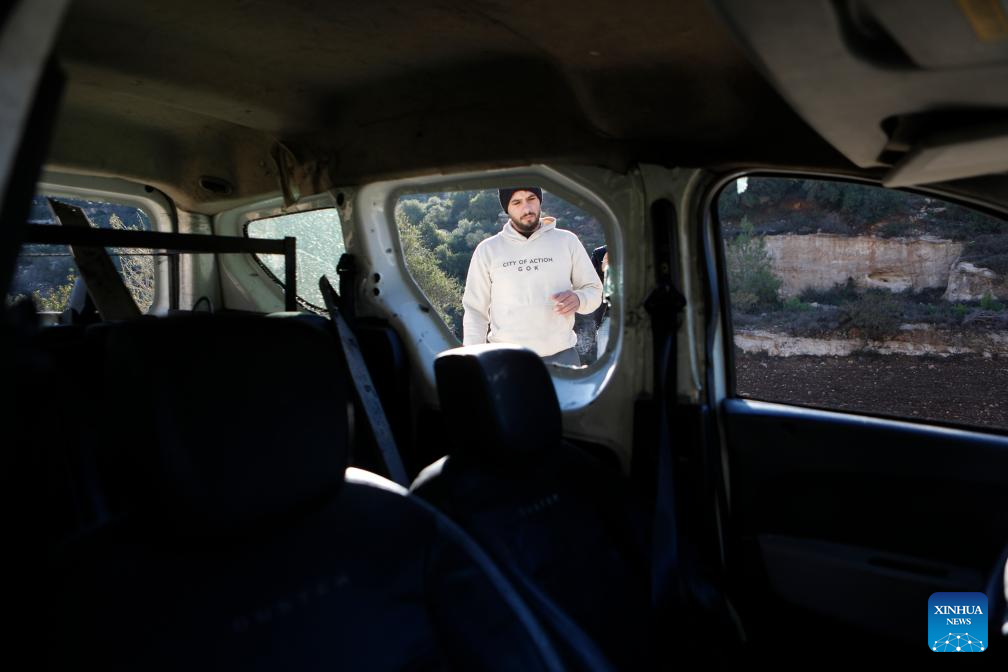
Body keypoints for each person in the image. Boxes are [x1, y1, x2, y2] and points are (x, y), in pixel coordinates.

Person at [462, 187, 603, 366]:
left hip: (563, 358)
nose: (527, 208)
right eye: (517, 202)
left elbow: (594, 290)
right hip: (506, 362)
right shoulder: (487, 250)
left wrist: (579, 299)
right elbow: (475, 311)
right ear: (507, 208)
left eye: (531, 198)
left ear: (540, 200)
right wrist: (472, 362)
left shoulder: (567, 241)